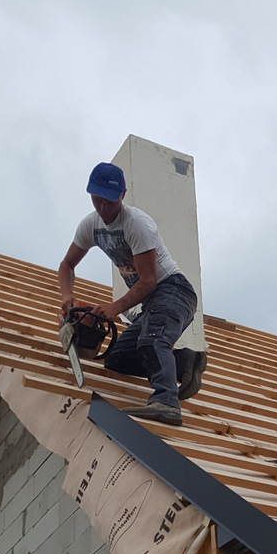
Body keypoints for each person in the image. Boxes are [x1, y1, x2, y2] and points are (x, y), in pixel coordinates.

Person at [58, 161, 204, 426]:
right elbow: (67, 264)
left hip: (174, 291)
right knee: (118, 358)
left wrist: (114, 308)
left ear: (123, 195)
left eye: (110, 201)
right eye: (98, 200)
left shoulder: (137, 224)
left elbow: (148, 282)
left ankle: (166, 402)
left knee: (152, 341)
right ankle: (184, 363)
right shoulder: (90, 226)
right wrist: (67, 295)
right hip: (152, 302)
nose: (103, 208)